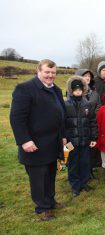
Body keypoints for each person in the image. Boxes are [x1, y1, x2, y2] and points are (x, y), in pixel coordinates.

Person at [10, 59, 66, 221]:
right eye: (47, 72)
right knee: (38, 177)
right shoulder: (25, 89)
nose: (50, 76)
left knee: (50, 174)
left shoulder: (56, 90)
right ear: (38, 71)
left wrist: (63, 136)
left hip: (52, 142)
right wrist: (24, 140)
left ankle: (50, 201)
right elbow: (17, 118)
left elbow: (60, 115)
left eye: (53, 73)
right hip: (35, 143)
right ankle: (42, 208)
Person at [64, 75, 98, 197]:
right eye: (75, 90)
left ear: (83, 90)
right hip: (70, 142)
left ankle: (84, 183)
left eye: (79, 89)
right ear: (71, 91)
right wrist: (64, 139)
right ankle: (75, 186)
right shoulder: (66, 105)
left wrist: (94, 138)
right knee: (73, 164)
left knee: (85, 162)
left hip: (85, 140)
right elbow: (62, 123)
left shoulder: (87, 104)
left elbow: (92, 122)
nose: (78, 91)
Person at [75, 68, 101, 179]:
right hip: (81, 125)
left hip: (93, 123)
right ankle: (80, 173)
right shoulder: (76, 92)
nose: (87, 78)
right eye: (85, 76)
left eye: (89, 76)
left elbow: (98, 106)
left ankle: (90, 171)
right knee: (81, 151)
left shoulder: (94, 92)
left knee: (91, 149)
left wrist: (94, 115)